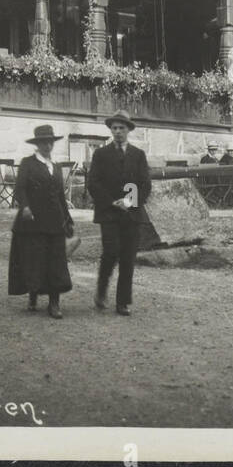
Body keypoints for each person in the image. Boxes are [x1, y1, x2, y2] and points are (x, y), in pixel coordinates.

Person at [87, 110, 151, 317]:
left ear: (128, 130)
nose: (118, 132)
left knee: (128, 258)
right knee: (111, 252)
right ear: (111, 130)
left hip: (132, 215)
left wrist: (129, 201)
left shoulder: (138, 155)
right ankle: (101, 291)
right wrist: (112, 202)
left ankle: (123, 302)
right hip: (109, 214)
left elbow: (144, 184)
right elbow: (94, 183)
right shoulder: (101, 154)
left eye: (122, 128)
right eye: (114, 128)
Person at [8, 125, 75, 319]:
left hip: (54, 222)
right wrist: (25, 207)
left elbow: (61, 197)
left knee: (56, 262)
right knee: (34, 261)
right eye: (43, 142)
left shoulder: (56, 166)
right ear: (37, 144)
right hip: (32, 222)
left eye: (50, 142)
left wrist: (68, 220)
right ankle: (33, 295)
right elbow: (19, 189)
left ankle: (54, 304)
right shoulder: (28, 163)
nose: (47, 145)